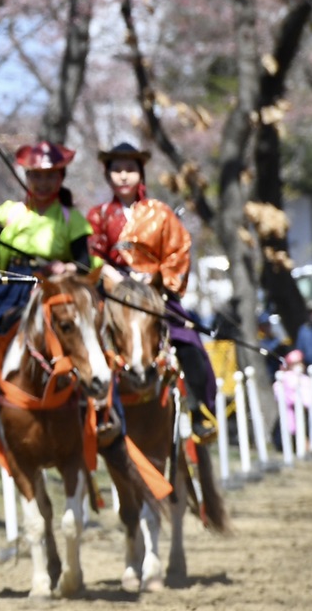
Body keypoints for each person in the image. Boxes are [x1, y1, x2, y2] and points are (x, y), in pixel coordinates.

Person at [0, 141, 116, 443]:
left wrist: (66, 268)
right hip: (12, 288)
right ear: (27, 178)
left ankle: (105, 410)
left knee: (85, 336)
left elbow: (83, 262)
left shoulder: (70, 218)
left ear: (61, 178)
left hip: (50, 291)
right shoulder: (11, 212)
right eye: (36, 176)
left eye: (50, 176)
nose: (42, 183)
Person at [86, 141, 221, 433]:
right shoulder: (98, 215)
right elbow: (91, 254)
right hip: (112, 291)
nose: (123, 176)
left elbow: (178, 251)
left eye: (130, 170)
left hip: (155, 293)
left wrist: (155, 279)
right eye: (117, 170)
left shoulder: (160, 213)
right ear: (108, 175)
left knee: (189, 342)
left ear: (141, 174)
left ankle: (201, 412)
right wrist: (113, 276)